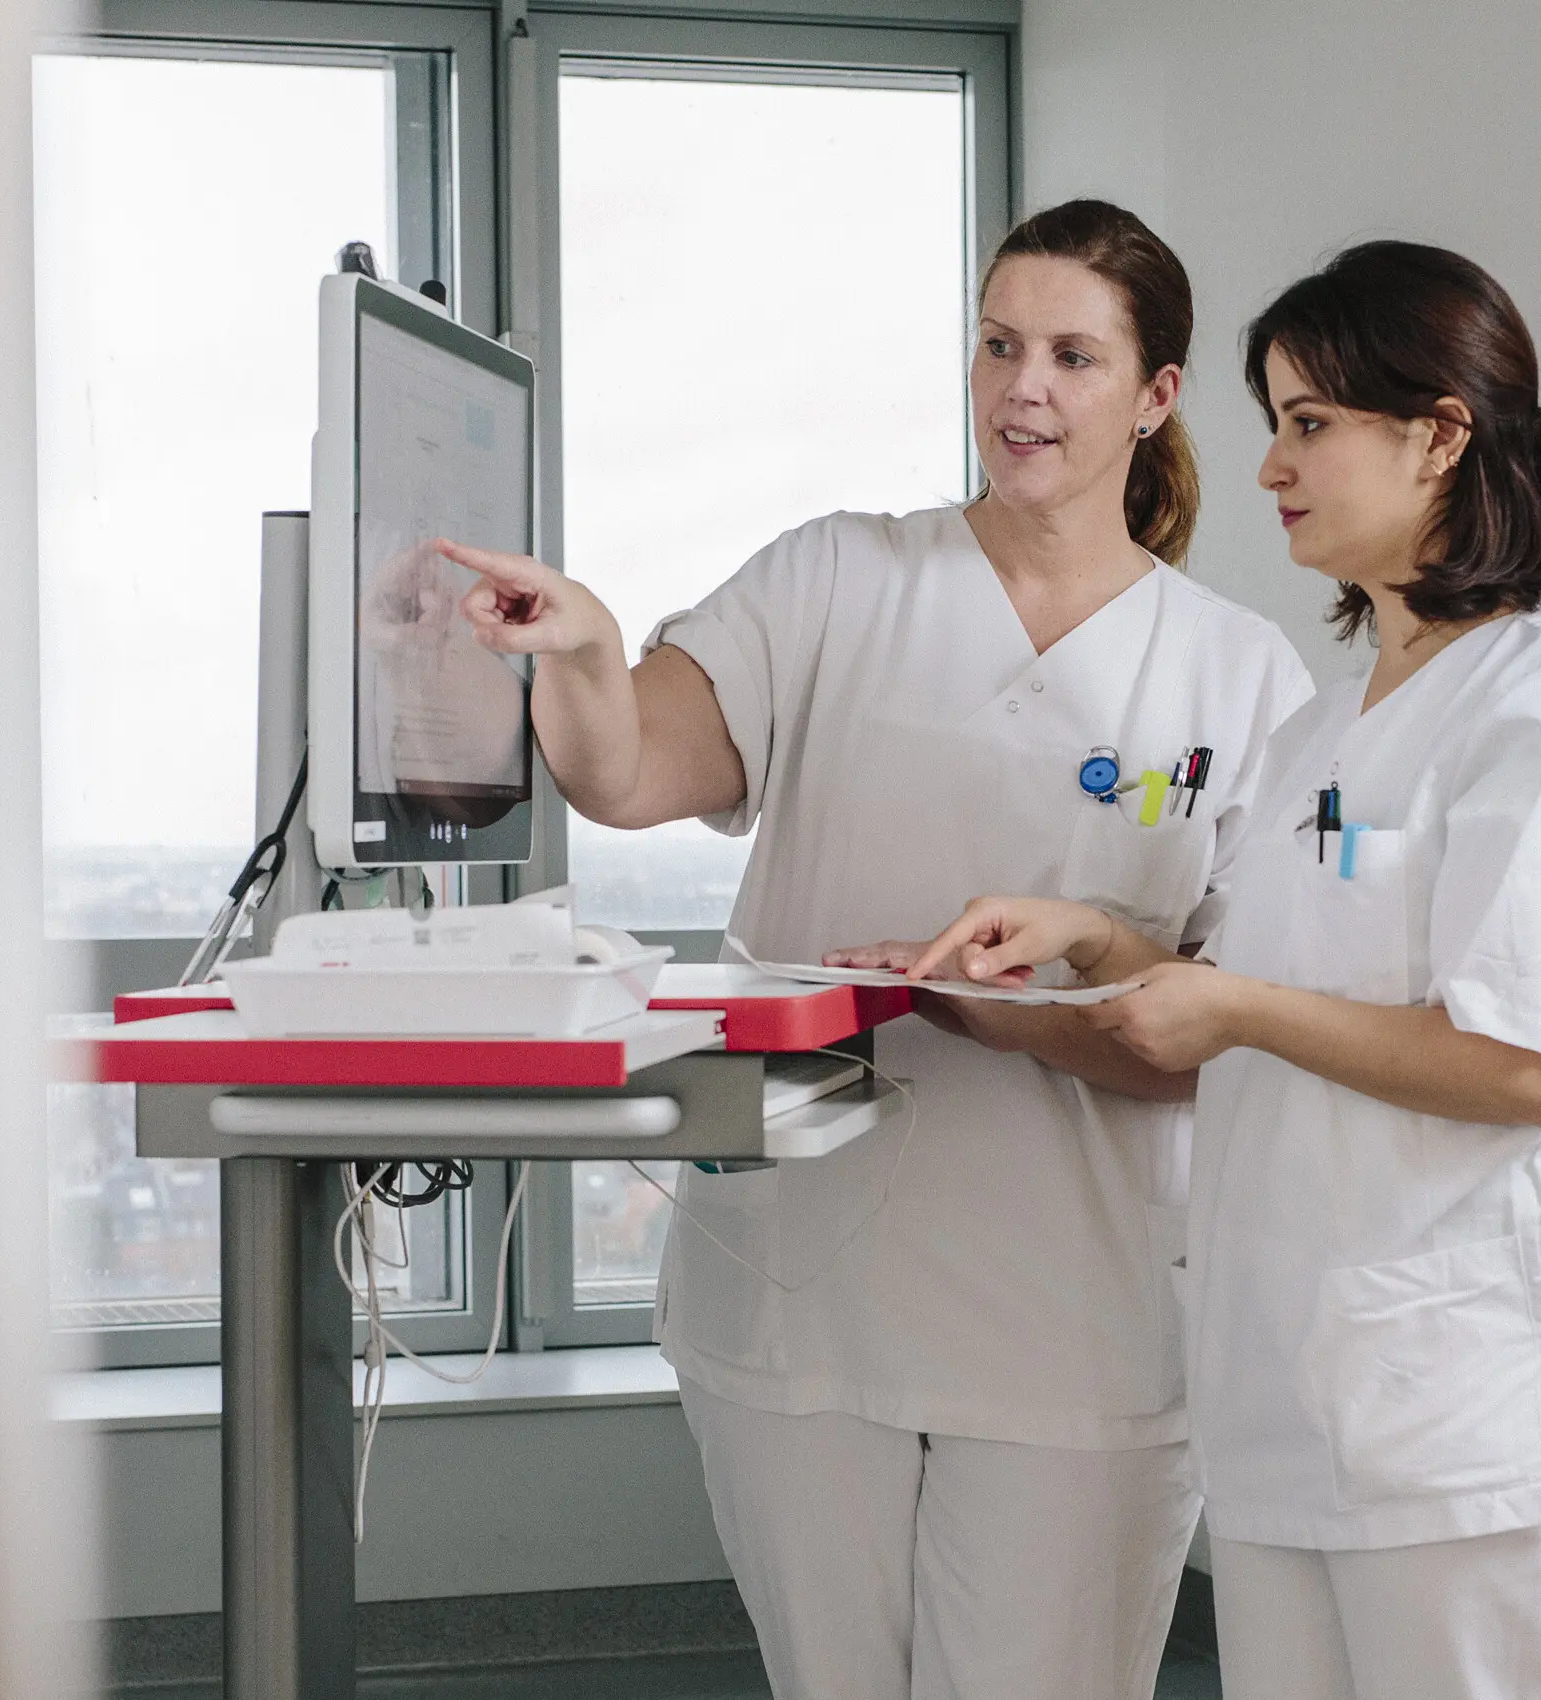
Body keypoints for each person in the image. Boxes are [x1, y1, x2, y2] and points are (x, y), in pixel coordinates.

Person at [438, 200, 1314, 1700]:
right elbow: (634, 771)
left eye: (1069, 355)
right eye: (995, 345)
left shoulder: (1237, 672)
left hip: (1079, 1317)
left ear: (1154, 394)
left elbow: (1229, 1035)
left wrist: (1013, 1005)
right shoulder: (833, 579)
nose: (1020, 387)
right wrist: (583, 652)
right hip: (801, 1299)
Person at [910, 241, 1541, 1700]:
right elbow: (1287, 977)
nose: (1268, 464)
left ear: (1440, 430)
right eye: (1271, 421)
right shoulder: (1331, 733)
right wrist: (1092, 935)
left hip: (1471, 1426)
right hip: (1294, 1407)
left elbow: (1529, 1065)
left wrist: (1231, 1006)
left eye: (1309, 423)